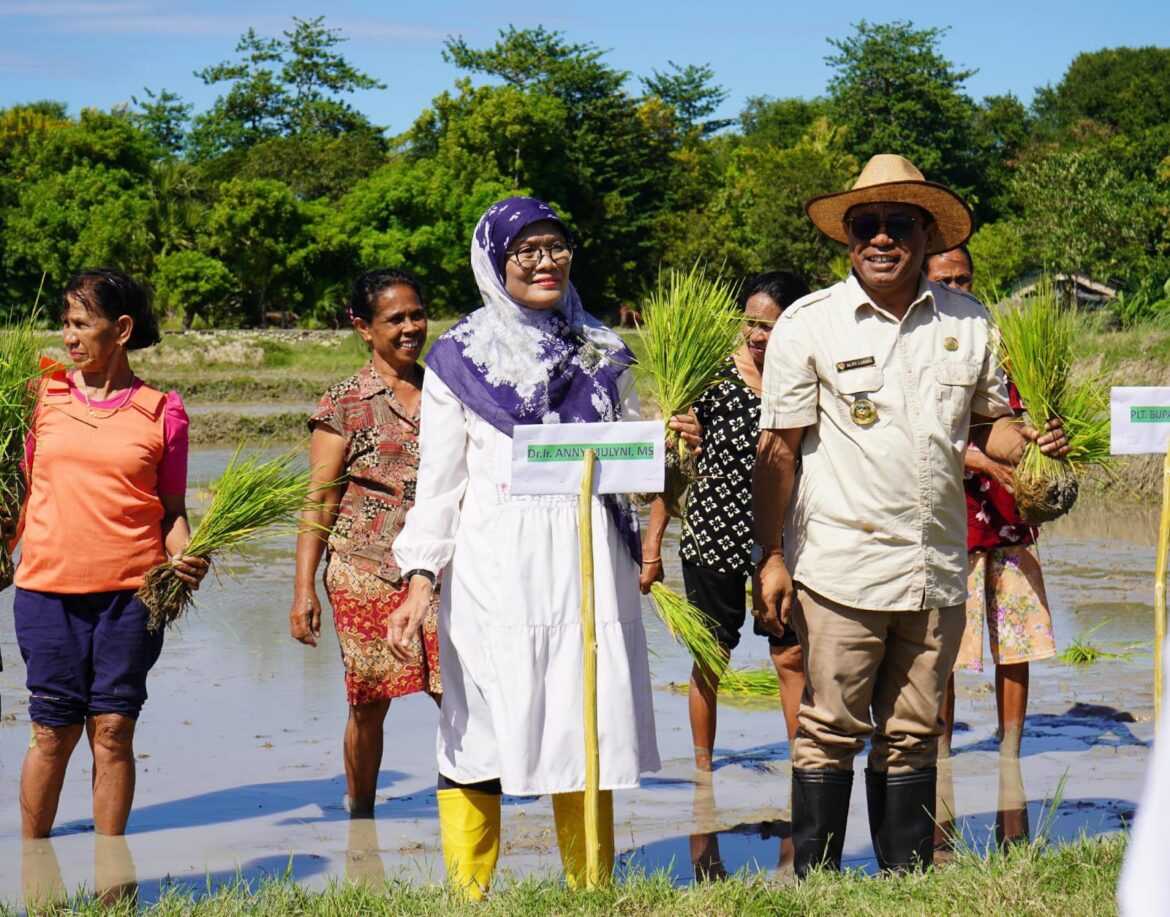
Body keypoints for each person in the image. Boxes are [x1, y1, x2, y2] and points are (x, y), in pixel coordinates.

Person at [751, 154, 1069, 876]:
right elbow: (777, 450)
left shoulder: (968, 321)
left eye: (900, 223)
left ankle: (907, 880)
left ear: (926, 235)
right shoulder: (810, 325)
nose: (883, 237)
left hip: (935, 568)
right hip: (839, 567)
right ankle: (819, 882)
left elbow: (989, 427)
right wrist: (770, 556)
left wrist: (1032, 440)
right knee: (829, 728)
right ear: (848, 236)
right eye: (867, 223)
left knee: (915, 732)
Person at [389, 196, 698, 899]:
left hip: (591, 564)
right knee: (478, 729)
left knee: (584, 716)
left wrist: (670, 447)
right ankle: (469, 894)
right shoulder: (457, 358)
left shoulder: (602, 348)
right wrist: (418, 578)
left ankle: (591, 888)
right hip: (496, 572)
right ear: (495, 262)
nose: (544, 262)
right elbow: (439, 486)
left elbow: (627, 465)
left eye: (555, 246)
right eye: (525, 250)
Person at [14, 269, 208, 839]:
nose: (69, 337)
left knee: (114, 728)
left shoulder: (161, 411)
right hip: (47, 591)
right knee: (52, 730)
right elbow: (15, 492)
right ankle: (35, 868)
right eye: (65, 324)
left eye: (82, 323)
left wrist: (188, 555)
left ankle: (111, 874)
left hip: (131, 597)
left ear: (121, 329)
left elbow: (171, 511)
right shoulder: (38, 398)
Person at [640, 270, 810, 773]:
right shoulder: (711, 377)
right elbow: (674, 472)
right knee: (711, 657)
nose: (759, 336)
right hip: (714, 532)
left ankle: (806, 767)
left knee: (791, 654)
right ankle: (702, 772)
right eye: (751, 323)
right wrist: (653, 548)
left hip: (780, 539)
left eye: (772, 326)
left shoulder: (803, 378)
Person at [289, 268, 441, 818]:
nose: (410, 328)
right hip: (363, 568)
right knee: (370, 701)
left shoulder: (445, 392)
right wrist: (303, 588)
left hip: (439, 567)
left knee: (458, 693)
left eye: (417, 315)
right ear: (363, 327)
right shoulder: (344, 402)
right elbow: (320, 500)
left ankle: (468, 809)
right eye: (394, 319)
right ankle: (361, 816)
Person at [926, 245, 1055, 848]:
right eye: (945, 277)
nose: (957, 285)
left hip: (1006, 520)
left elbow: (1024, 415)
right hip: (947, 518)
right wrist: (978, 458)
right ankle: (942, 752)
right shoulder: (920, 340)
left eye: (964, 277)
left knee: (1016, 641)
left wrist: (1042, 444)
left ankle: (1010, 755)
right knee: (946, 648)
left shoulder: (1000, 341)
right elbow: (926, 427)